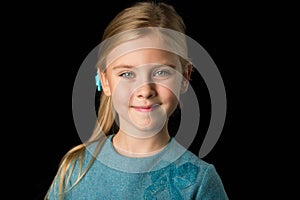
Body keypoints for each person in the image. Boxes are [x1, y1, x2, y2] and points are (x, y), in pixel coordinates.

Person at [45, 1, 228, 199]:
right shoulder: (76, 170)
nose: (145, 91)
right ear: (105, 81)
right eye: (126, 74)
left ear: (185, 77)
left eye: (161, 72)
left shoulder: (199, 181)